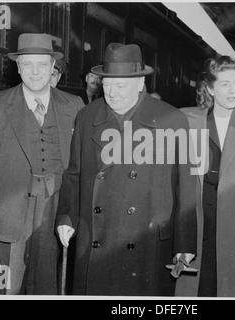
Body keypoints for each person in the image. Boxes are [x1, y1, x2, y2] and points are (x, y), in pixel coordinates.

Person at [56, 43, 197, 296]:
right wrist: (66, 217)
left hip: (147, 240)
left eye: (120, 86)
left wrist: (185, 243)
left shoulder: (172, 119)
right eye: (107, 84)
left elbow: (186, 185)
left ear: (140, 83)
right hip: (96, 235)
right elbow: (74, 174)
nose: (112, 93)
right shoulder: (87, 116)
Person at [0, 33, 85, 295]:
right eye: (28, 64)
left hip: (57, 212)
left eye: (42, 64)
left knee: (48, 285)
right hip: (9, 214)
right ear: (18, 67)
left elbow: (80, 165)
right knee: (9, 288)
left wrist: (74, 213)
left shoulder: (74, 105)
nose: (35, 72)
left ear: (52, 67)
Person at [176, 56, 235, 297]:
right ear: (209, 87)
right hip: (196, 219)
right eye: (224, 84)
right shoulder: (186, 119)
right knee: (197, 286)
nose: (232, 90)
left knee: (227, 287)